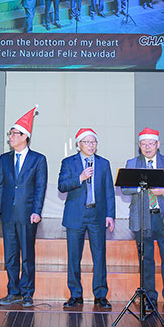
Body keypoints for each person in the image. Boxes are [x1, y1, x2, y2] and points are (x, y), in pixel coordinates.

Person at [122, 128, 164, 313]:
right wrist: (141, 187)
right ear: (139, 145)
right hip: (142, 217)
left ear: (158, 144)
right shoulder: (132, 163)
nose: (147, 147)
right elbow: (125, 187)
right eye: (144, 144)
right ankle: (149, 298)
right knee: (146, 259)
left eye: (151, 143)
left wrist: (163, 191)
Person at [0, 106, 48, 308]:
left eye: (14, 134)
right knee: (10, 255)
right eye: (10, 134)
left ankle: (27, 293)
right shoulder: (4, 159)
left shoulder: (38, 159)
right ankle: (13, 291)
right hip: (7, 213)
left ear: (25, 136)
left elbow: (40, 187)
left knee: (27, 256)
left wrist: (37, 211)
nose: (10, 137)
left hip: (27, 214)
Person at [57, 128, 116, 309]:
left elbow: (109, 191)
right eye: (87, 142)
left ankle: (100, 295)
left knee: (99, 256)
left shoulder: (103, 163)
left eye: (93, 142)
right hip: (75, 215)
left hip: (97, 215)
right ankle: (75, 295)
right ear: (78, 144)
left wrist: (110, 215)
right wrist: (80, 178)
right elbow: (62, 186)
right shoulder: (68, 162)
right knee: (74, 257)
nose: (91, 145)